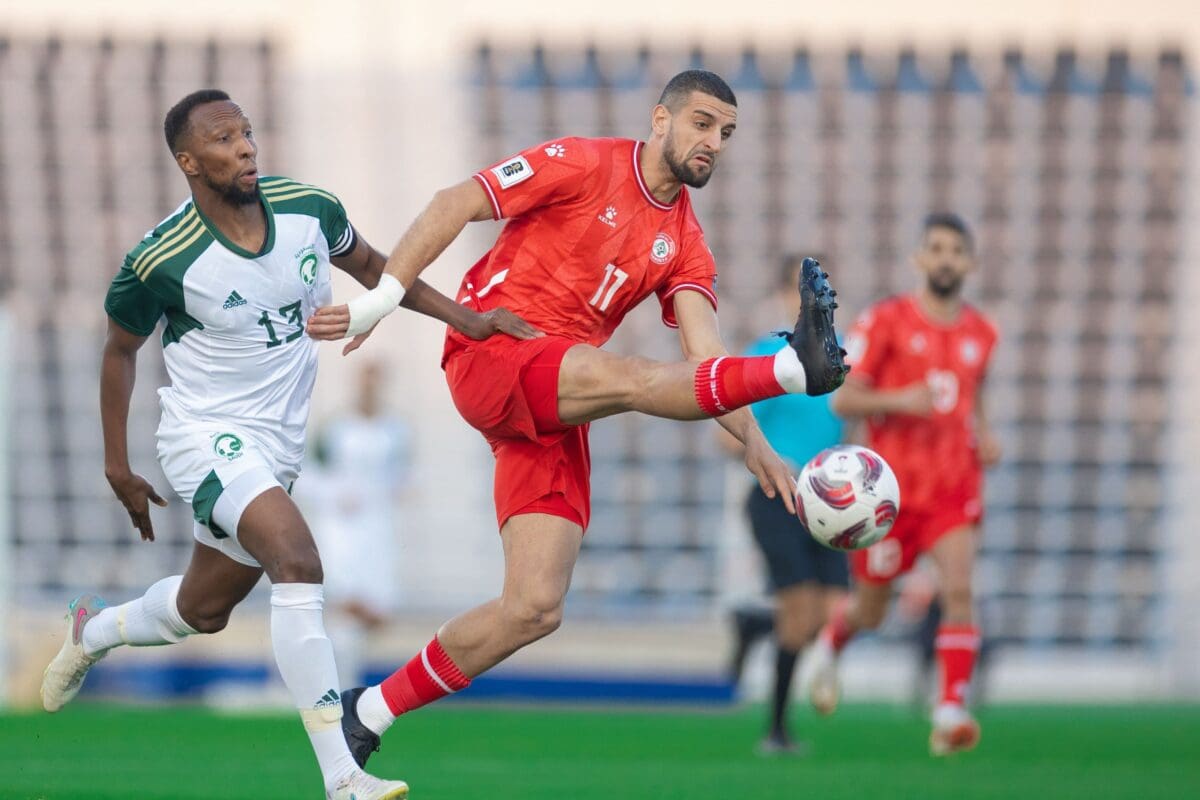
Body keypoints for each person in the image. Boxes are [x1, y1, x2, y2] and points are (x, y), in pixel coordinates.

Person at [304, 69, 850, 766]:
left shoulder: (686, 241)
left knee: (533, 607)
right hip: (497, 350)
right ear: (662, 120)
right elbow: (456, 201)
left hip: (556, 401)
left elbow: (706, 355)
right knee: (628, 377)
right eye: (703, 123)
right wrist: (383, 296)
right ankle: (794, 367)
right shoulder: (585, 161)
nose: (715, 141)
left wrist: (756, 441)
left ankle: (370, 709)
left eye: (727, 133)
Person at [40, 89, 535, 800]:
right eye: (222, 139)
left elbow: (376, 269)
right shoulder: (162, 258)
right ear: (188, 160)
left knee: (201, 611)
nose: (244, 146)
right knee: (298, 563)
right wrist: (117, 465)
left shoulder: (309, 209)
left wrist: (468, 319)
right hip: (203, 434)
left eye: (245, 132)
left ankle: (91, 633)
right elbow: (120, 350)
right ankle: (343, 775)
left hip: (276, 442)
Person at [800, 212, 1002, 756]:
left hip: (953, 487)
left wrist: (985, 433)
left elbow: (973, 390)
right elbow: (844, 398)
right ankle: (833, 640)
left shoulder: (983, 333)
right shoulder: (886, 321)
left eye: (955, 251)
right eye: (935, 248)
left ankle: (950, 709)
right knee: (872, 610)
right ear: (919, 258)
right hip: (888, 498)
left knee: (959, 589)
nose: (945, 259)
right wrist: (900, 400)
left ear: (969, 263)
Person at [718, 254, 850, 755]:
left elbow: (845, 421)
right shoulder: (769, 355)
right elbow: (730, 436)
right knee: (799, 610)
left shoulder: (839, 354)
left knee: (832, 612)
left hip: (830, 499)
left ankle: (756, 625)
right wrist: (775, 457)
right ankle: (776, 730)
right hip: (779, 495)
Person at [307, 361, 412, 687]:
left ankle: (345, 686)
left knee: (372, 610)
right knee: (341, 603)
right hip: (340, 528)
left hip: (378, 528)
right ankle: (330, 687)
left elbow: (406, 474)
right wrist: (335, 495)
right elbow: (309, 473)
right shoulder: (335, 428)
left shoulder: (396, 429)